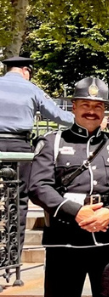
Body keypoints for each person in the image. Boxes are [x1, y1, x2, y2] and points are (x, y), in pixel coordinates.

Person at [28, 77, 109, 297]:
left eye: (98, 106)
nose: (91, 111)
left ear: (104, 110)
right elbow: (39, 186)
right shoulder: (53, 142)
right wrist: (76, 212)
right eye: (85, 105)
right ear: (74, 107)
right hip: (65, 239)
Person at [0, 56, 74, 252]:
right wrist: (86, 121)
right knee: (18, 199)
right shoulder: (32, 89)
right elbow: (58, 116)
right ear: (26, 70)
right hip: (19, 148)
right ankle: (12, 253)